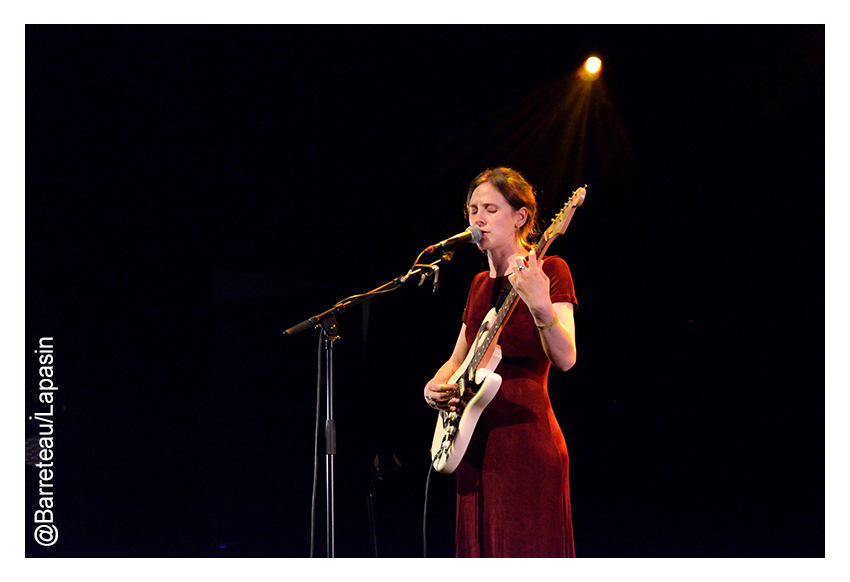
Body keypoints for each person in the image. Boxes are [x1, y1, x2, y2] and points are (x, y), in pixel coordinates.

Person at [424, 167, 578, 557]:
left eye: (491, 209)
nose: (478, 218)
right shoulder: (478, 285)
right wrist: (435, 386)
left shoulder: (550, 270)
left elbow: (566, 358)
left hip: (525, 443)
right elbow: (457, 359)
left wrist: (540, 304)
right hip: (471, 445)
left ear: (520, 217)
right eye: (473, 208)